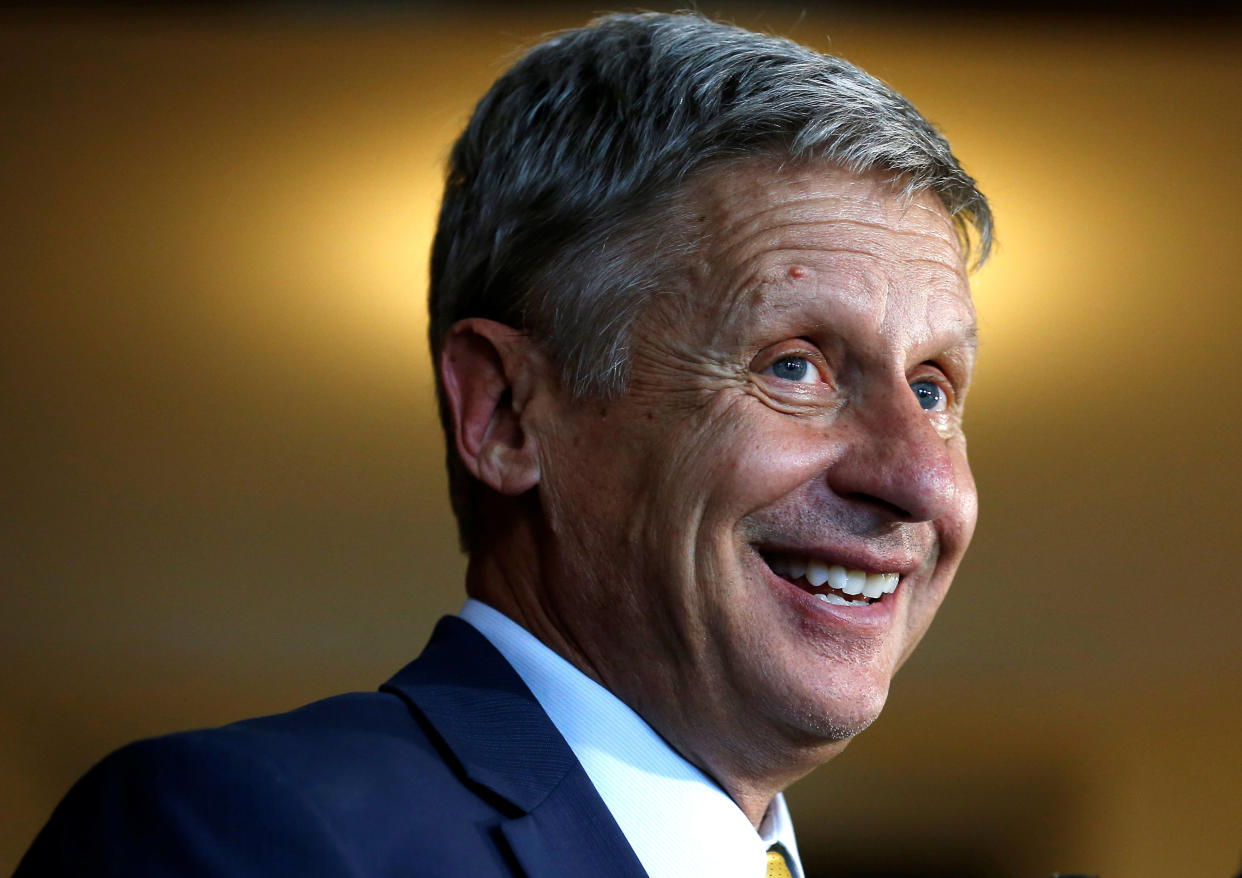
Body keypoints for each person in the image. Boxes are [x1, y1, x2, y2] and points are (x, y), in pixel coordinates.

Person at [17, 11, 991, 878]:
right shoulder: (252, 834)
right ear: (507, 413)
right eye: (794, 366)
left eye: (933, 388)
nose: (920, 478)